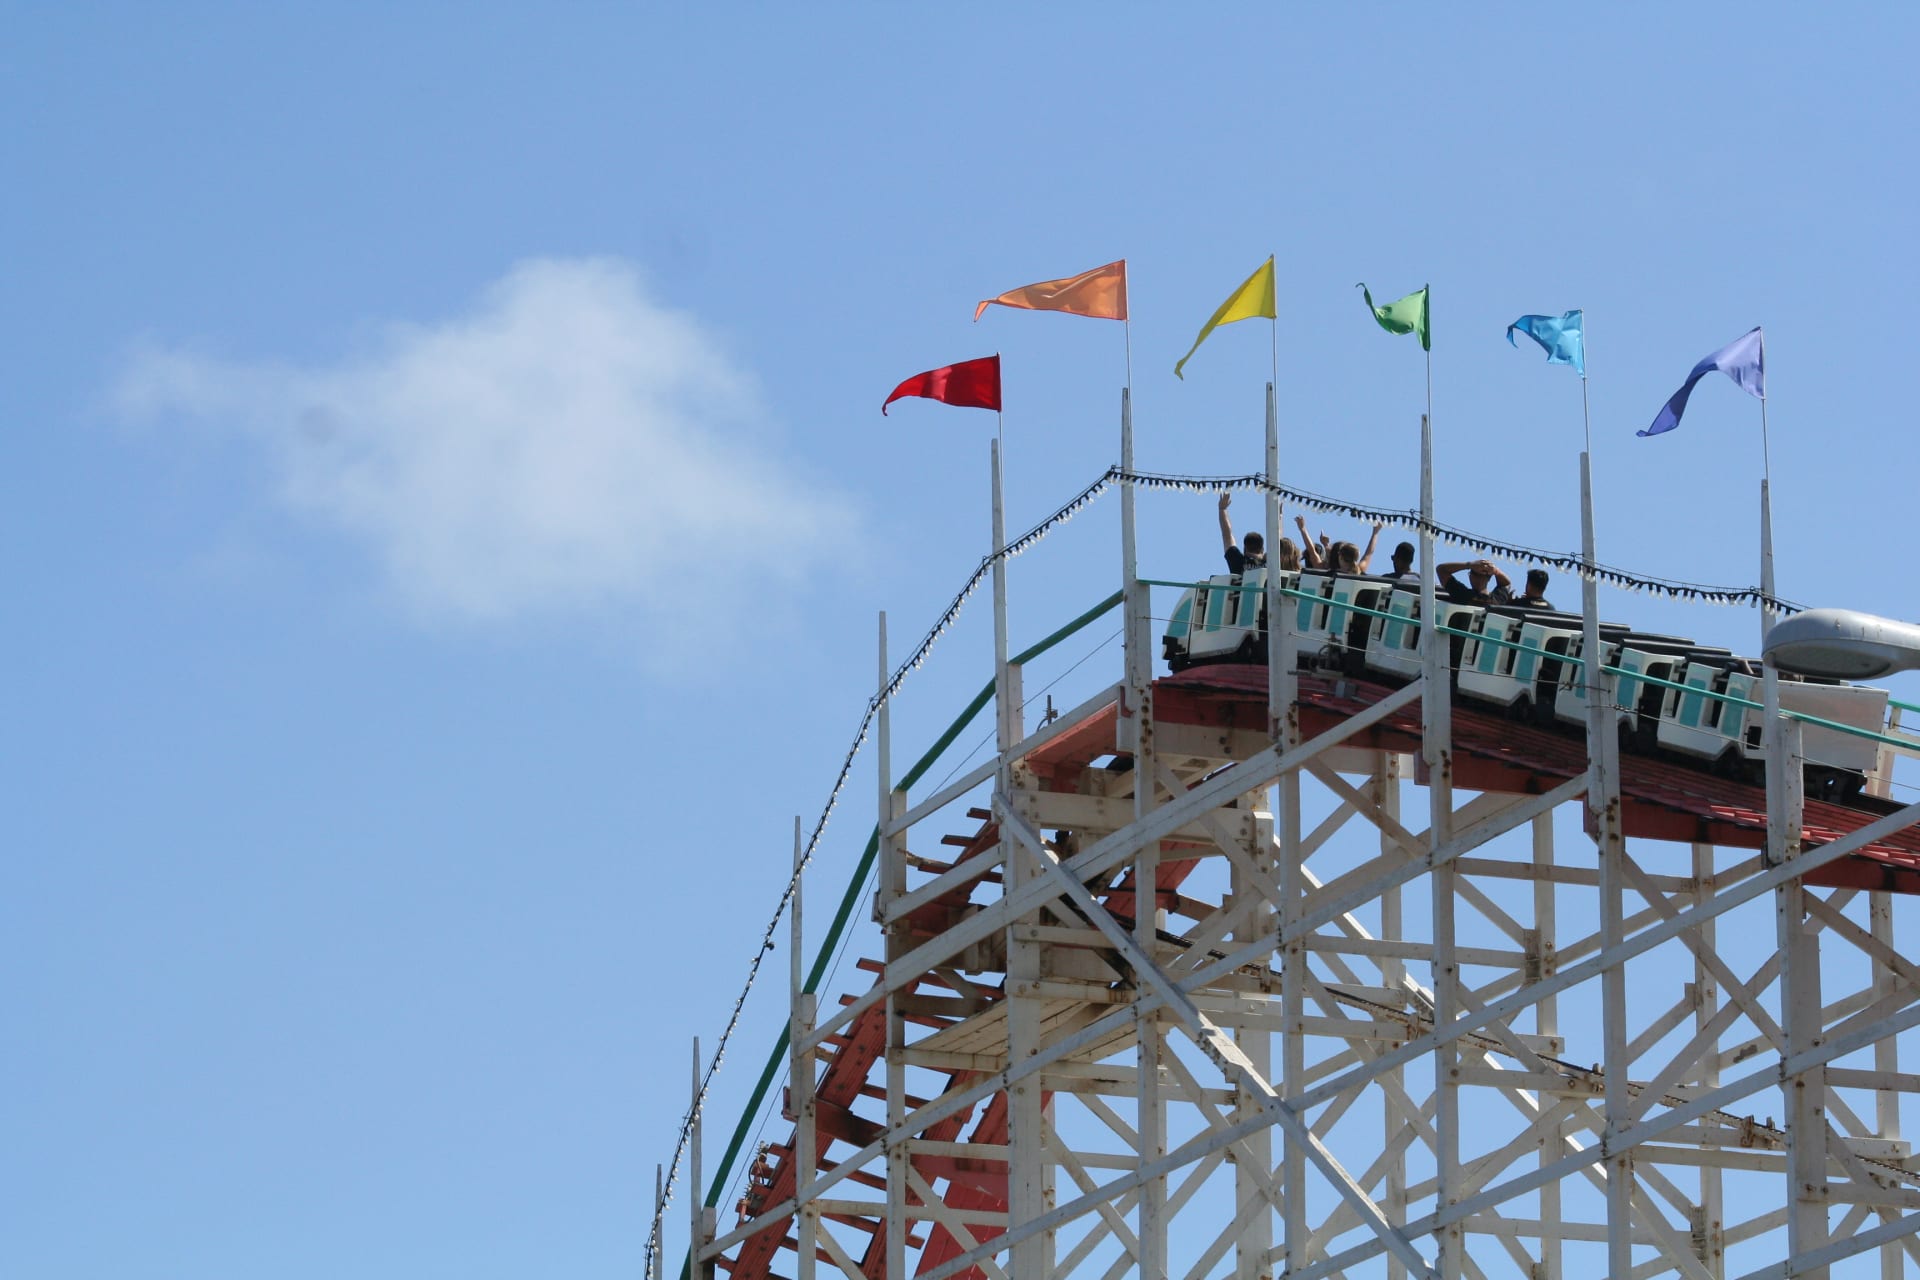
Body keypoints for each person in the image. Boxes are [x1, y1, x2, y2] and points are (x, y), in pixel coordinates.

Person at [1216, 492, 1266, 575]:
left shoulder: (1238, 561)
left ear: (1244, 549)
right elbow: (1279, 543)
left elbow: (1227, 535)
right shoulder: (1271, 563)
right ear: (1262, 549)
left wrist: (1222, 509)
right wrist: (1279, 515)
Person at [1436, 557, 1513, 605]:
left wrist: (1469, 565)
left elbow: (1441, 570)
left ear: (1470, 576)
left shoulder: (1462, 594)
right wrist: (1495, 571)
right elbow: (1506, 583)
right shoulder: (1498, 600)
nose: (1477, 578)